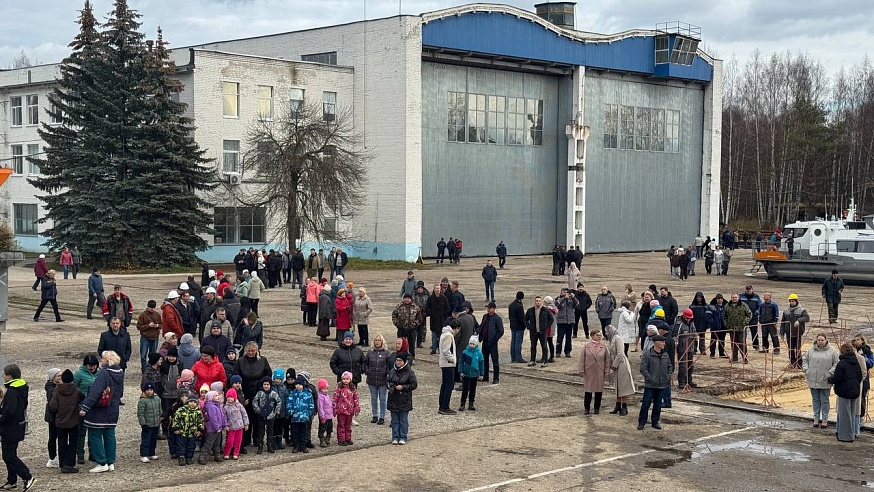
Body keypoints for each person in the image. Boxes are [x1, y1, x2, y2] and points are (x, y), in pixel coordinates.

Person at [79, 351, 124, 473]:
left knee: (95, 435)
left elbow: (95, 392)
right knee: (109, 435)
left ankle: (101, 462)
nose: (101, 361)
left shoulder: (104, 373)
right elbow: (120, 393)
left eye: (103, 359)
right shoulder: (120, 373)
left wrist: (85, 408)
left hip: (99, 411)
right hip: (113, 409)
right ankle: (110, 462)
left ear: (108, 361)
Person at [0, 364, 35, 490]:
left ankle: (27, 476)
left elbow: (10, 411)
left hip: (10, 428)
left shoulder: (12, 391)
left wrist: (1, 420)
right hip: (17, 426)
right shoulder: (21, 387)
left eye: (4, 374)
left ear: (9, 376)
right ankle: (11, 480)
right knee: (10, 453)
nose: (3, 377)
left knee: (8, 455)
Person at [234, 342, 272, 453]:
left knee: (258, 416)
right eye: (249, 351)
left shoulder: (263, 360)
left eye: (253, 351)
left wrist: (262, 386)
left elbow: (268, 374)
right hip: (245, 390)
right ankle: (245, 439)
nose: (250, 353)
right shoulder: (240, 361)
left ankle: (257, 438)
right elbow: (236, 375)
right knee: (246, 415)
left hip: (259, 390)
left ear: (257, 351)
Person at [48, 369, 82, 474]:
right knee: (73, 442)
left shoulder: (57, 390)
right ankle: (69, 464)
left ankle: (62, 464)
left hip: (60, 421)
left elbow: (52, 406)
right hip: (73, 420)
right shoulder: (76, 390)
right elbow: (82, 399)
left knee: (61, 442)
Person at [802, 334, 839, 428]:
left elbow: (836, 363)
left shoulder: (833, 351)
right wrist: (807, 370)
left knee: (825, 400)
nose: (820, 341)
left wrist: (830, 373)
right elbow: (804, 360)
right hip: (813, 379)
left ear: (826, 340)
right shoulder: (811, 350)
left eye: (822, 340)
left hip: (825, 380)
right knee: (815, 399)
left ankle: (825, 419)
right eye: (819, 340)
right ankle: (816, 418)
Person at [637, 335, 672, 431]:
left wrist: (668, 377)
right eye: (662, 342)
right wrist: (650, 378)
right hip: (650, 385)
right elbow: (643, 369)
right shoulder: (647, 355)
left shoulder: (665, 355)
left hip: (661, 385)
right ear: (656, 343)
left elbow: (670, 367)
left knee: (658, 405)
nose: (664, 344)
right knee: (646, 404)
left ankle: (655, 421)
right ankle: (641, 422)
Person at [830, 343, 863, 442]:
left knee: (844, 415)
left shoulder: (842, 363)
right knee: (852, 414)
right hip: (855, 391)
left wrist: (830, 380)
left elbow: (837, 378)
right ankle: (852, 434)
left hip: (844, 391)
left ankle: (845, 436)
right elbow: (860, 376)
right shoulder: (856, 362)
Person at [603, 325, 635, 415]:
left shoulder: (618, 339)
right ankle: (618, 405)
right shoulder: (611, 340)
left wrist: (614, 365)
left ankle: (624, 406)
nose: (606, 333)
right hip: (616, 364)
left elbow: (620, 353)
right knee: (617, 385)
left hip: (622, 364)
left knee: (624, 385)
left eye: (606, 331)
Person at [579, 329, 611, 414]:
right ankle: (587, 408)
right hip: (589, 370)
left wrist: (607, 370)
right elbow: (582, 359)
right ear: (592, 336)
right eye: (597, 335)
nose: (599, 337)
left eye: (600, 335)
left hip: (600, 370)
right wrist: (581, 370)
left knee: (598, 390)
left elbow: (607, 359)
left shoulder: (603, 346)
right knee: (588, 390)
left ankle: (597, 408)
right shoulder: (586, 346)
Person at [171, 391, 204, 465]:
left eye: (194, 402)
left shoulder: (198, 412)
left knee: (191, 446)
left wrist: (200, 430)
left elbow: (200, 422)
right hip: (182, 432)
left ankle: (189, 458)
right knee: (181, 446)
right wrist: (176, 428)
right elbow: (176, 419)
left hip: (192, 433)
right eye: (191, 402)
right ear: (188, 402)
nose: (192, 403)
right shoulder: (181, 410)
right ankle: (181, 457)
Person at [363, 335, 390, 425]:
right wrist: (367, 371)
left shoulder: (386, 353)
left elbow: (389, 365)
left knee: (382, 398)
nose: (377, 342)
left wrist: (387, 374)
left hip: (382, 379)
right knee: (373, 398)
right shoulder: (370, 352)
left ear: (382, 342)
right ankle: (375, 415)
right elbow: (365, 363)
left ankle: (382, 416)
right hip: (372, 379)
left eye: (379, 340)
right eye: (376, 340)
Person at [286, 375, 314, 453]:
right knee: (295, 433)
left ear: (303, 385)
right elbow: (289, 404)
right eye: (297, 384)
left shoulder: (308, 394)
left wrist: (308, 413)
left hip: (304, 418)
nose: (298, 386)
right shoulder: (292, 394)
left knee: (303, 432)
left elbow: (311, 405)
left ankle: (303, 446)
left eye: (300, 384)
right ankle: (296, 446)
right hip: (295, 418)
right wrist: (291, 412)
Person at [781, 293, 810, 369]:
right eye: (790, 301)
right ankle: (792, 363)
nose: (791, 302)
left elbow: (807, 318)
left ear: (796, 301)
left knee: (797, 349)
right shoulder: (786, 311)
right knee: (790, 349)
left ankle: (799, 364)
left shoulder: (802, 310)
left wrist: (799, 320)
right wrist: (782, 332)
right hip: (789, 333)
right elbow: (783, 322)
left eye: (793, 301)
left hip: (797, 333)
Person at [438, 322, 461, 415]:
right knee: (449, 385)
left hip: (445, 363)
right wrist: (453, 359)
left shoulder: (445, 334)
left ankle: (442, 405)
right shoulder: (448, 336)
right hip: (448, 364)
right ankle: (445, 406)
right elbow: (446, 350)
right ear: (456, 328)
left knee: (445, 384)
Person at [332, 372, 360, 446]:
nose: (345, 380)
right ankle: (341, 439)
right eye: (344, 379)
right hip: (341, 411)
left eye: (347, 379)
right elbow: (335, 398)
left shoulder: (352, 388)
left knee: (348, 425)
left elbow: (356, 399)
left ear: (350, 379)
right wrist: (334, 408)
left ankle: (348, 438)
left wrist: (356, 408)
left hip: (350, 410)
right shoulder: (339, 388)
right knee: (341, 425)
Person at [137, 382, 162, 463]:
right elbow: (140, 413)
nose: (149, 391)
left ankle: (152, 453)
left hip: (156, 423)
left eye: (151, 390)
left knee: (153, 439)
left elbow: (159, 409)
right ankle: (144, 454)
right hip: (147, 424)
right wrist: (143, 423)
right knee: (146, 440)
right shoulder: (143, 400)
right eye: (147, 390)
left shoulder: (157, 398)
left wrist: (160, 417)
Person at [525, 296, 554, 368]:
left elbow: (551, 319)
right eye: (536, 301)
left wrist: (546, 326)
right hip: (533, 331)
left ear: (541, 302)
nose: (538, 302)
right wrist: (529, 326)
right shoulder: (530, 310)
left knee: (544, 346)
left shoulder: (545, 310)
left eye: (539, 301)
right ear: (534, 302)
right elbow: (525, 319)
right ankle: (532, 360)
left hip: (542, 331)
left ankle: (545, 361)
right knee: (533, 346)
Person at [479, 302, 504, 383]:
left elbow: (500, 331)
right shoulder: (485, 317)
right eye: (487, 308)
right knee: (484, 360)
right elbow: (482, 326)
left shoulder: (497, 318)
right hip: (485, 341)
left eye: (489, 308)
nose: (488, 310)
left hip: (492, 343)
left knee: (495, 361)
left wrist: (495, 339)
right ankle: (485, 376)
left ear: (493, 309)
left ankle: (496, 378)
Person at [724, 293, 752, 363]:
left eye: (736, 297)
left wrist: (745, 322)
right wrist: (727, 324)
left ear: (738, 298)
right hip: (732, 328)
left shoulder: (743, 305)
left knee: (742, 343)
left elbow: (749, 314)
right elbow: (724, 316)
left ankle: (745, 358)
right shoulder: (727, 306)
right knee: (733, 343)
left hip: (741, 328)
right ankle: (734, 358)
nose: (734, 298)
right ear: (731, 298)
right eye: (733, 297)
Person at [392, 294, 421, 361]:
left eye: (408, 298)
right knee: (400, 344)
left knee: (412, 344)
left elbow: (419, 317)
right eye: (405, 298)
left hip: (412, 329)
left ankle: (411, 358)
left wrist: (415, 324)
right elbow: (394, 315)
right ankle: (400, 357)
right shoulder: (399, 306)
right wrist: (397, 323)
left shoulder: (415, 307)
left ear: (411, 299)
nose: (406, 300)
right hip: (401, 329)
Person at [459, 336, 484, 411]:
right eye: (470, 343)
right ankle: (462, 403)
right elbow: (461, 362)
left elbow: (481, 364)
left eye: (473, 344)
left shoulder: (479, 353)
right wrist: (460, 371)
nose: (472, 345)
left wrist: (481, 374)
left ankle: (471, 403)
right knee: (465, 389)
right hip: (466, 374)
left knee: (473, 389)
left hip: (474, 374)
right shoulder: (465, 352)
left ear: (476, 344)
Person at [136, 300, 162, 371]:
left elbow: (161, 325)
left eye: (153, 308)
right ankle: (144, 369)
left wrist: (157, 325)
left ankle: (151, 369)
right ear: (148, 307)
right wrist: (148, 326)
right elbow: (138, 327)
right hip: (145, 337)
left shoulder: (157, 315)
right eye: (151, 308)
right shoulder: (142, 315)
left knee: (152, 355)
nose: (152, 309)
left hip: (155, 337)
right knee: (143, 355)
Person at [223, 388, 249, 460]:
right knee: (229, 441)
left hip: (240, 426)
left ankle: (236, 453)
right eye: (228, 397)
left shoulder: (239, 405)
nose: (229, 399)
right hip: (231, 427)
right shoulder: (225, 407)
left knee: (238, 441)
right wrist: (226, 425)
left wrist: (246, 423)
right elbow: (224, 417)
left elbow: (244, 414)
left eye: (231, 397)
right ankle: (226, 453)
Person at [44, 368, 62, 469]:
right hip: (54, 417)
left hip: (55, 416)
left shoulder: (55, 387)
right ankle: (52, 458)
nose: (60, 377)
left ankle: (55, 456)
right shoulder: (51, 389)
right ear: (53, 378)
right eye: (58, 376)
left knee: (55, 436)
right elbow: (53, 404)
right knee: (53, 437)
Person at [676, 309, 697, 389]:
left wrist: (695, 335)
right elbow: (675, 335)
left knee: (690, 365)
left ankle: (689, 381)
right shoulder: (679, 324)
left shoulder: (692, 323)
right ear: (684, 316)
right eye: (687, 318)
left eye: (690, 318)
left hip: (690, 347)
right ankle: (681, 382)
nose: (689, 319)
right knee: (683, 366)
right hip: (682, 348)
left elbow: (694, 331)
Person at [427, 284, 451, 355]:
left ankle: (440, 349)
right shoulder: (430, 298)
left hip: (442, 320)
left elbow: (448, 308)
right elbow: (427, 308)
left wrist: (444, 315)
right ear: (434, 289)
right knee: (434, 336)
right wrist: (431, 313)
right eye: (436, 288)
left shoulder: (444, 298)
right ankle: (433, 348)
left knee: (441, 336)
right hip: (433, 320)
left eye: (438, 288)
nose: (437, 290)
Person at [555, 289, 579, 358]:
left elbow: (577, 305)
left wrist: (574, 298)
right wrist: (564, 299)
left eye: (567, 292)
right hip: (561, 322)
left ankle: (567, 351)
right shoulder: (558, 299)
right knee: (560, 338)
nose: (566, 294)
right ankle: (558, 352)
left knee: (568, 338)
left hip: (570, 321)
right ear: (561, 293)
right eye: (564, 292)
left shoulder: (571, 299)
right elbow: (557, 304)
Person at [739, 285, 762, 352]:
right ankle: (742, 345)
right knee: (742, 332)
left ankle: (756, 346)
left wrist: (757, 312)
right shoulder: (741, 296)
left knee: (754, 332)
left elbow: (760, 306)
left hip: (753, 318)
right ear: (745, 290)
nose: (748, 291)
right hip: (744, 317)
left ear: (752, 290)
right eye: (747, 289)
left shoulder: (756, 297)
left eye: (750, 289)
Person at [508, 291, 527, 363]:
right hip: (519, 326)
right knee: (518, 342)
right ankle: (518, 358)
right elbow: (521, 318)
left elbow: (510, 316)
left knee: (513, 341)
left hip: (512, 325)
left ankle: (513, 357)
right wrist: (526, 324)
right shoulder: (519, 306)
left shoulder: (511, 305)